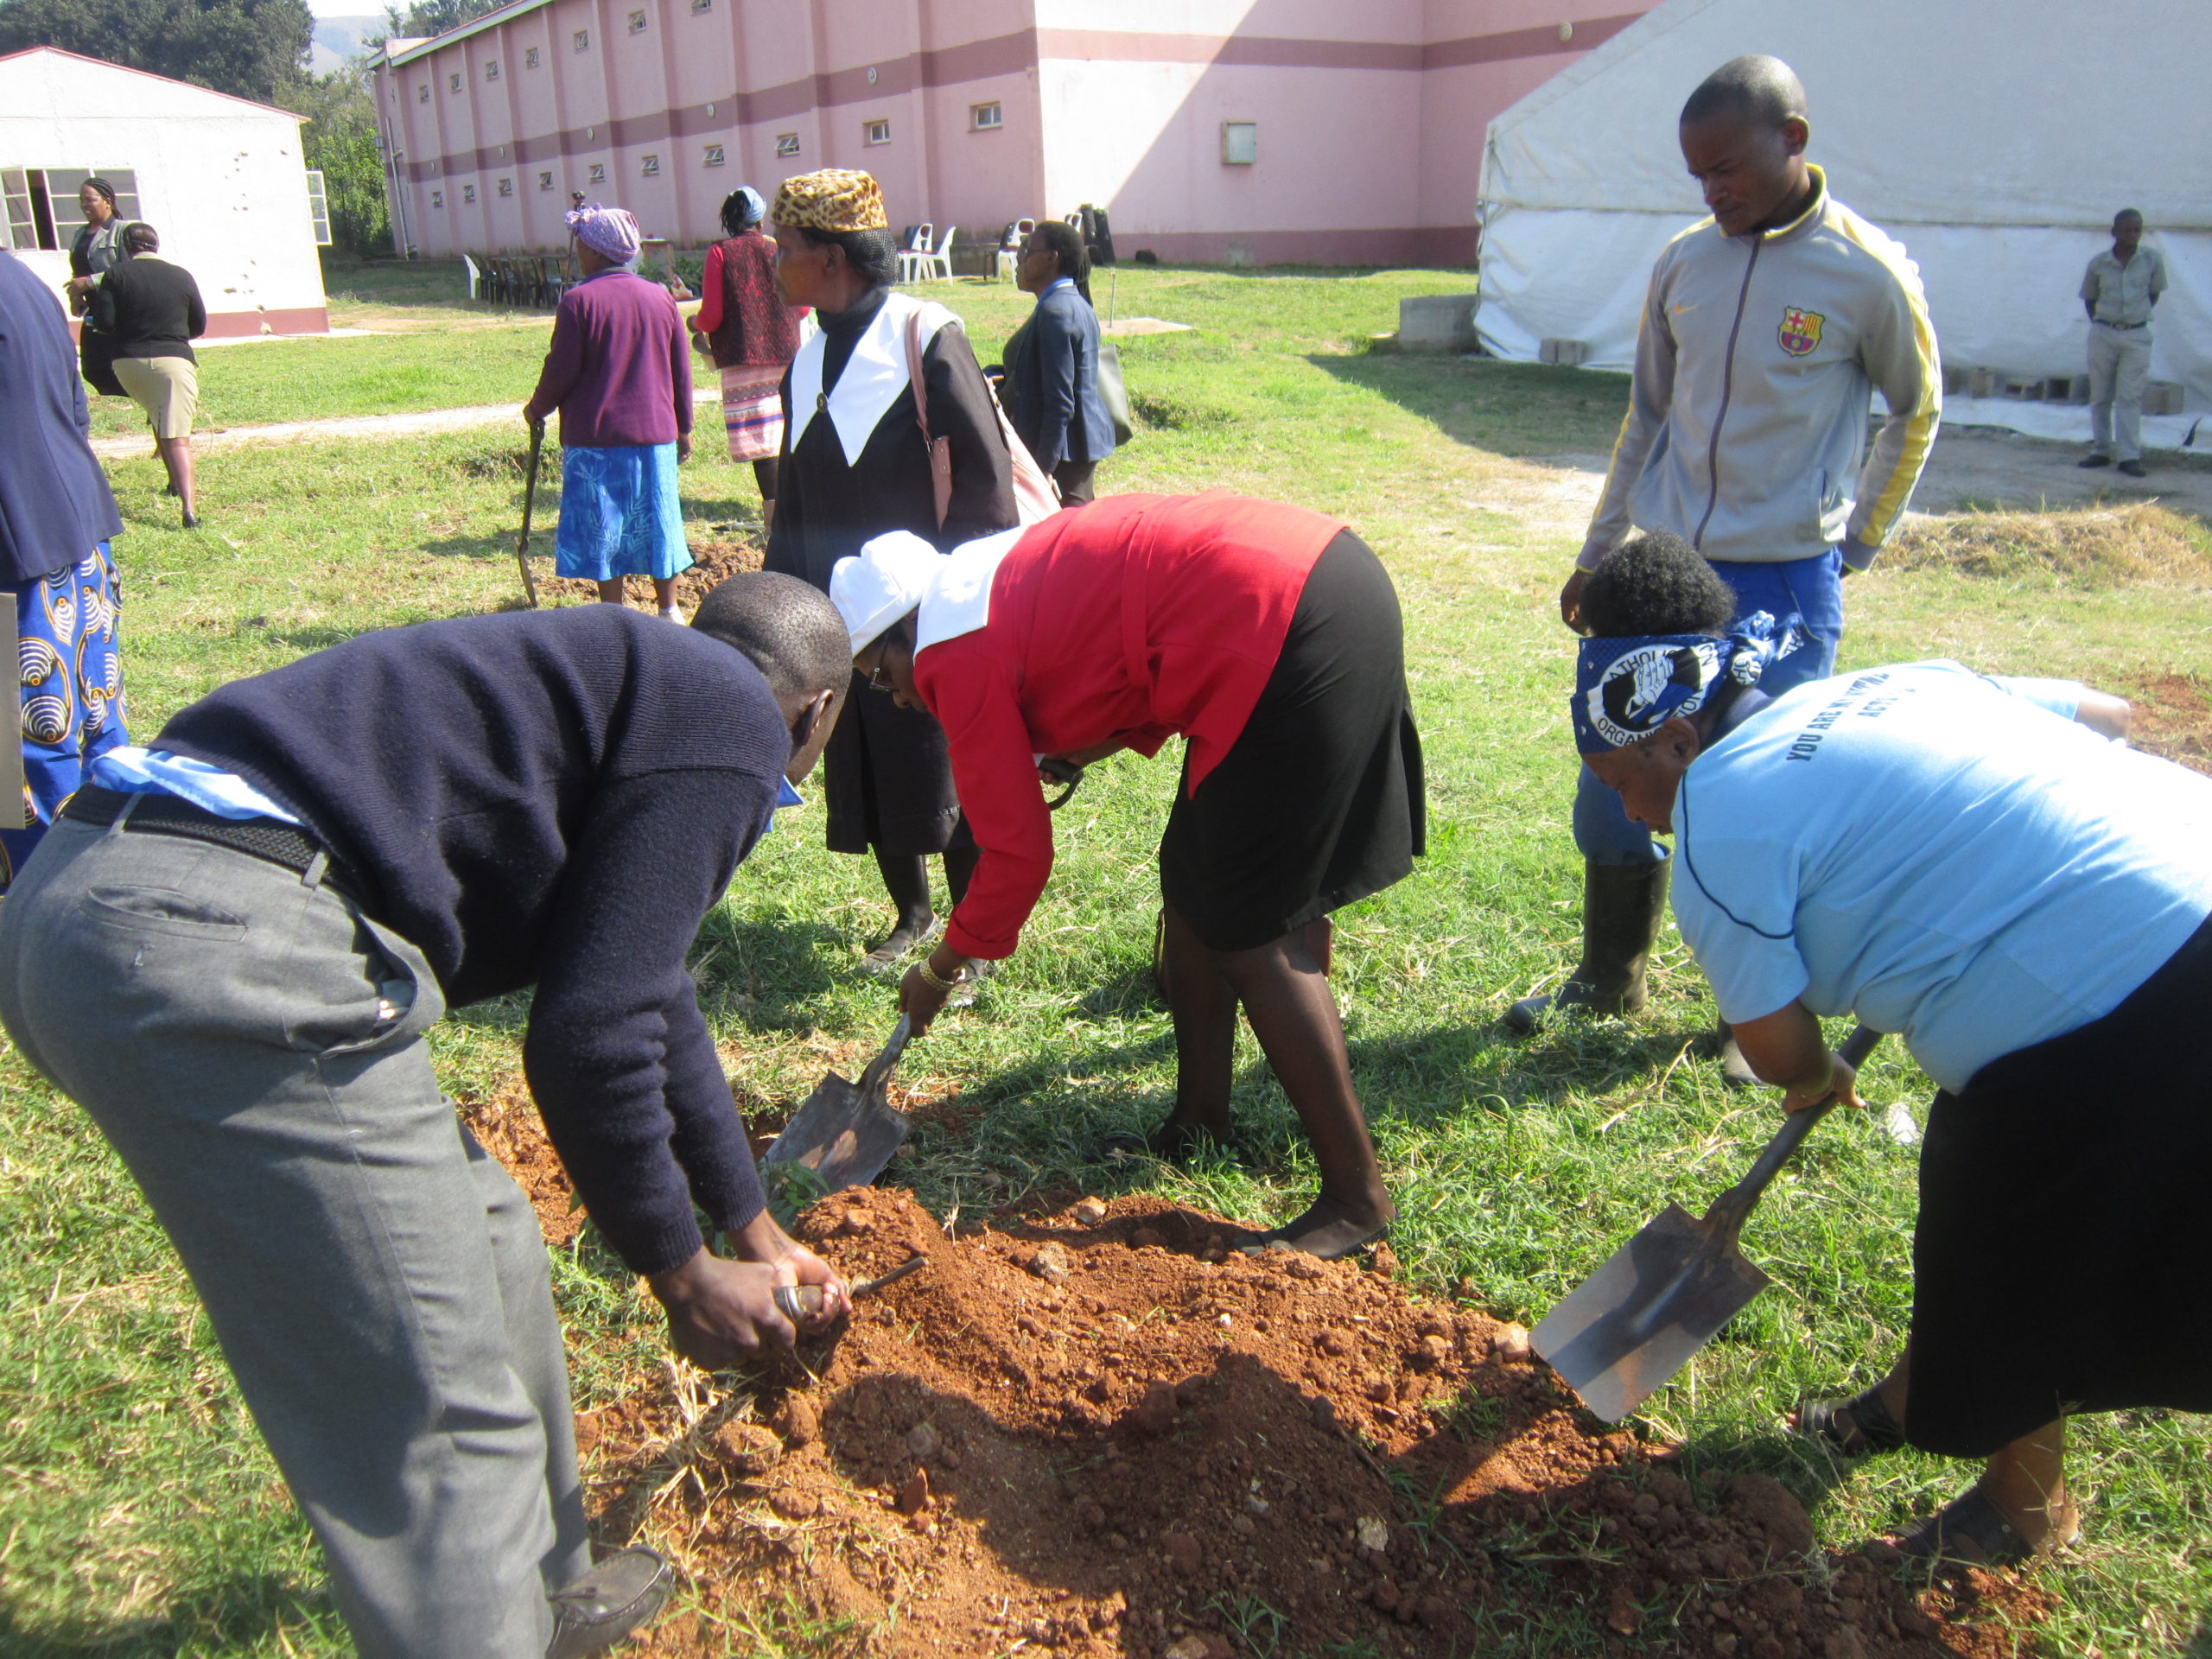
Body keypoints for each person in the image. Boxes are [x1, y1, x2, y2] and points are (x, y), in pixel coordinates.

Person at [0, 573, 856, 1657]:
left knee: (493, 1243)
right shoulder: (736, 722)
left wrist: (752, 1225)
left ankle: (548, 1598)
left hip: (90, 888)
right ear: (817, 710)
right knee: (442, 1422)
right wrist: (682, 1276)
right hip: (213, 942)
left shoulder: (641, 676)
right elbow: (589, 1036)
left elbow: (646, 988)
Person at [1567, 529, 2208, 1567]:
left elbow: (1775, 1048)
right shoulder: (1890, 685)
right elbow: (2106, 716)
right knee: (1982, 1182)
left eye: (1620, 780)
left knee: (2001, 1221)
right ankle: (1914, 1400)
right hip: (2186, 856)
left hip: (2136, 985)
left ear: (1676, 740)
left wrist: (1822, 1076)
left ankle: (2021, 1508)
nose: (1631, 813)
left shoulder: (1722, 825)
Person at [831, 491, 1426, 1259]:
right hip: (1319, 579)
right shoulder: (982, 583)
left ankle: (1355, 1200)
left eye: (882, 676)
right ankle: (1199, 1121)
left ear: (905, 632)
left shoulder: (950, 650)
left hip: (1285, 623)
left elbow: (1016, 856)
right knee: (1192, 880)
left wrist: (940, 970)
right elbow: (1118, 656)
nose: (898, 698)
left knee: (1252, 927)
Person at [1509, 54, 1940, 1087]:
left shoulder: (1866, 272)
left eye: (1728, 168)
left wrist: (1857, 539)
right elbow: (1645, 417)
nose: (1712, 191)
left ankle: (1755, 1024)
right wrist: (1600, 548)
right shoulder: (1681, 265)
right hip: (1660, 578)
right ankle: (1609, 975)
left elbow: (1914, 409)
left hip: (1782, 583)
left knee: (1762, 799)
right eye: (1697, 174)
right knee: (1616, 776)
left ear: (1792, 139)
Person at [763, 168, 1018, 970]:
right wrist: (781, 608)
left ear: (833, 258)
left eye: (788, 248)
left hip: (927, 611)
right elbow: (793, 501)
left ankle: (971, 941)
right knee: (866, 758)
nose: (775, 264)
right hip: (840, 616)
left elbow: (986, 480)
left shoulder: (925, 336)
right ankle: (910, 914)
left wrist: (959, 600)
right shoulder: (804, 361)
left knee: (948, 761)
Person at [0, 247, 130, 895]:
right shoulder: (23, 279)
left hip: (14, 552)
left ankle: (49, 902)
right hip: (74, 528)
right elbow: (73, 408)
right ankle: (111, 876)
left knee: (24, 753)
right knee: (96, 721)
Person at [523, 203, 694, 619]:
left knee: (604, 528)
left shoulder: (578, 302)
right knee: (658, 522)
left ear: (597, 251)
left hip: (595, 439)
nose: (578, 251)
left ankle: (614, 616)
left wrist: (537, 408)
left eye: (581, 244)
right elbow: (680, 370)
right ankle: (669, 610)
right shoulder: (661, 299)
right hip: (654, 435)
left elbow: (561, 368)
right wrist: (684, 427)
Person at [688, 186, 806, 529]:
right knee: (786, 433)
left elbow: (711, 317)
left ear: (730, 218)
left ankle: (774, 522)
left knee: (761, 442)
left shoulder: (720, 253)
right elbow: (802, 307)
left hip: (742, 360)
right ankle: (794, 514)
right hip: (786, 355)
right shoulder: (777, 248)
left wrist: (693, 323)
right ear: (761, 219)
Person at [92, 223, 207, 528]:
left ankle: (172, 483)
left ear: (126, 247)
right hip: (174, 361)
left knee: (157, 414)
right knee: (178, 438)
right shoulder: (181, 275)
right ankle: (189, 511)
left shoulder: (115, 275)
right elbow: (198, 325)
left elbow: (104, 321)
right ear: (156, 245)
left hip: (128, 363)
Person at [1001, 219, 1116, 505]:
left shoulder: (1057, 312)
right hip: (1072, 446)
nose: (1021, 260)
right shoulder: (1073, 302)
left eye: (1028, 252)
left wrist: (1043, 468)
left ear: (1052, 258)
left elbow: (1060, 402)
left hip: (1065, 451)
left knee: (1071, 534)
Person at [2077, 208, 2164, 479]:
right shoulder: (2099, 263)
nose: (2132, 235)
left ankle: (2129, 456)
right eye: (2126, 230)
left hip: (2136, 335)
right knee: (2101, 394)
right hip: (2104, 332)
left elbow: (2154, 294)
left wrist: (2132, 320)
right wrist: (2106, 324)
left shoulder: (2151, 260)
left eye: (2137, 230)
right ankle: (2101, 450)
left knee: (2130, 396)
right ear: (2114, 232)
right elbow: (2090, 299)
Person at [65, 176, 142, 396]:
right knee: (91, 366)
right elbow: (77, 269)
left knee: (116, 361)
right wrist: (76, 293)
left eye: (90, 199)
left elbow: (129, 269)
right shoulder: (80, 233)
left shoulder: (123, 230)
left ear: (108, 201)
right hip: (92, 308)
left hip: (118, 308)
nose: (84, 205)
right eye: (81, 200)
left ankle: (129, 396)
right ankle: (111, 396)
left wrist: (90, 282)